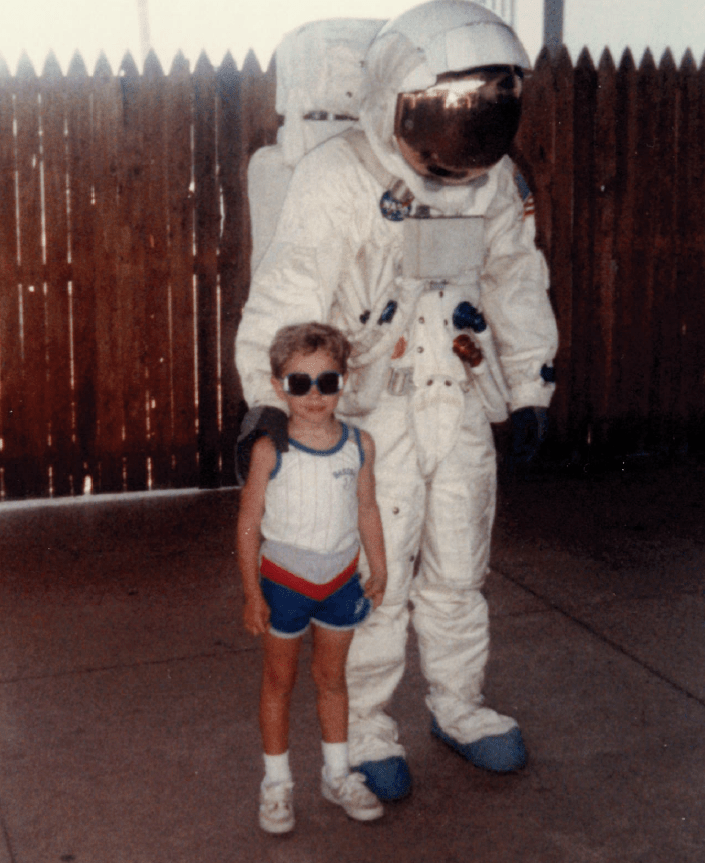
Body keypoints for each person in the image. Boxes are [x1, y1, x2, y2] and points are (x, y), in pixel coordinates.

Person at [236, 0, 559, 802]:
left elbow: (514, 280)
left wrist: (529, 386)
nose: (467, 134)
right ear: (394, 100)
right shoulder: (337, 175)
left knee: (458, 564)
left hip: (454, 394)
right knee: (374, 573)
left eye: (487, 112)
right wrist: (266, 404)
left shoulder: (492, 183)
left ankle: (459, 704)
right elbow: (290, 288)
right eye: (449, 111)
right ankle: (371, 723)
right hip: (370, 410)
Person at [237, 321, 388, 833]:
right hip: (285, 585)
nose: (314, 395)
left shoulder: (359, 445)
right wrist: (252, 593)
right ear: (279, 385)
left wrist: (380, 567)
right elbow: (248, 524)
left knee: (333, 680)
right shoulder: (270, 450)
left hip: (341, 582)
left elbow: (367, 509)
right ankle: (276, 784)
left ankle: (338, 773)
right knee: (279, 682)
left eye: (328, 381)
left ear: (344, 381)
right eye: (299, 383)